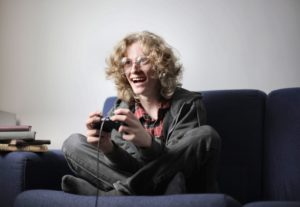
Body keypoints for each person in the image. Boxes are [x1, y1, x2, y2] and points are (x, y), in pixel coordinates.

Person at [61, 31, 221, 196]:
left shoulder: (188, 104)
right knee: (73, 143)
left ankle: (119, 194)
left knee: (207, 136)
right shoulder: (121, 109)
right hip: (155, 184)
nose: (134, 69)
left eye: (143, 61)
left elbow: (176, 164)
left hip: (179, 182)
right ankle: (137, 192)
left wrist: (147, 143)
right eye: (127, 63)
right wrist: (109, 148)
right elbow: (130, 166)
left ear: (161, 67)